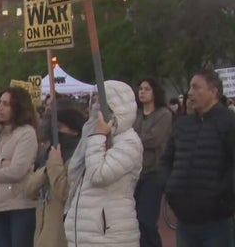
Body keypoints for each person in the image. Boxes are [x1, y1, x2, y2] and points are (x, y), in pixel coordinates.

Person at [160, 69, 235, 246]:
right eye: (190, 88)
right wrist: (169, 187)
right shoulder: (182, 124)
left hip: (216, 220)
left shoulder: (228, 122)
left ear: (213, 91)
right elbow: (166, 160)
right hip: (185, 219)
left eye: (196, 88)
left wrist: (223, 196)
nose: (190, 93)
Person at [64, 81, 143, 247]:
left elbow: (98, 175)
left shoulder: (129, 142)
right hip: (85, 233)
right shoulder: (92, 136)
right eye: (96, 101)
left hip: (109, 234)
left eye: (101, 103)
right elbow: (75, 174)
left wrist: (98, 136)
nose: (96, 107)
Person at [0, 88, 39, 247]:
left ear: (18, 107)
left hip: (20, 205)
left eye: (6, 104)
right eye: (0, 103)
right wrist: (0, 163)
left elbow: (16, 171)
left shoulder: (27, 133)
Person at [23, 100, 85, 247]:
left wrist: (55, 165)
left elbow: (65, 193)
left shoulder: (78, 158)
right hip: (43, 231)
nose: (55, 132)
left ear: (74, 131)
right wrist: (47, 168)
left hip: (63, 234)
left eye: (60, 127)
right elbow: (29, 189)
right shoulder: (48, 155)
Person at [133, 78, 172, 247]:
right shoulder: (137, 114)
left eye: (147, 89)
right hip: (137, 171)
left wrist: (133, 140)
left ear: (155, 92)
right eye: (141, 88)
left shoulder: (164, 114)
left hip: (154, 171)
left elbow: (153, 139)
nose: (142, 92)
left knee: (147, 219)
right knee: (136, 220)